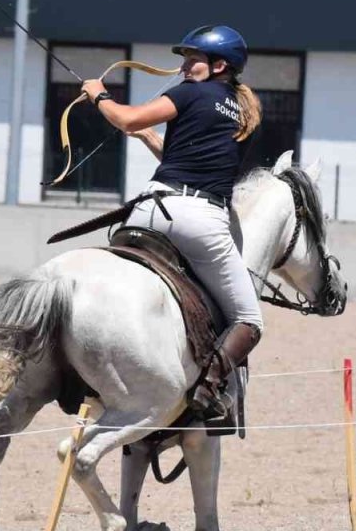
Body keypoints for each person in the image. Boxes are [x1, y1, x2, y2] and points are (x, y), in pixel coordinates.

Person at [80, 25, 262, 420]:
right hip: (200, 221)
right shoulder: (244, 110)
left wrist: (99, 95)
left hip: (149, 209)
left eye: (192, 60)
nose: (183, 67)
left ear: (218, 65)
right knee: (248, 320)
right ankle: (207, 390)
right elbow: (195, 164)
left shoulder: (189, 93)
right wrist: (149, 138)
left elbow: (126, 119)